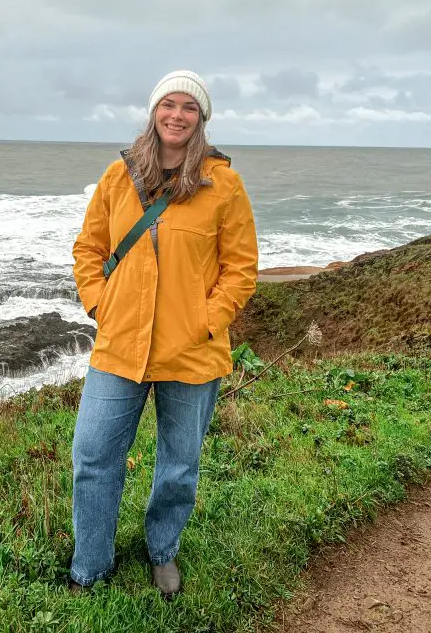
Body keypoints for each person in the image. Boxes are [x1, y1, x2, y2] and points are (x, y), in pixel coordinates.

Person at [69, 69, 259, 597]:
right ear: (154, 112)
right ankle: (91, 565)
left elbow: (241, 268)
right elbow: (88, 249)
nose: (177, 115)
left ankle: (163, 551)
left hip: (191, 350)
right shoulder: (118, 176)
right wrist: (100, 303)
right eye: (168, 105)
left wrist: (207, 321)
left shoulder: (224, 185)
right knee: (93, 455)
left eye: (189, 108)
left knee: (179, 465)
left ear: (201, 119)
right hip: (119, 346)